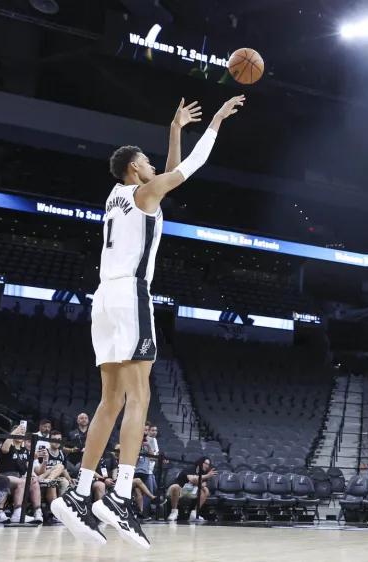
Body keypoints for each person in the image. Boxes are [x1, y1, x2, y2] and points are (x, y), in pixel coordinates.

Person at [51, 94, 245, 549]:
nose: (153, 164)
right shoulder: (145, 191)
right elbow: (190, 168)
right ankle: (119, 495)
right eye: (147, 160)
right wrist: (215, 121)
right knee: (140, 397)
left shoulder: (118, 195)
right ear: (135, 168)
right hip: (131, 294)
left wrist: (174, 129)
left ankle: (79, 495)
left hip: (103, 299)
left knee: (110, 402)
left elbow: (166, 173)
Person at [0, 424, 43, 523]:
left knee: (34, 484)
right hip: (3, 476)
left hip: (18, 478)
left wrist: (32, 475)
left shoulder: (25, 451)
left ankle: (37, 512)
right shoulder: (7, 445)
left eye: (22, 433)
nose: (20, 435)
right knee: (22, 482)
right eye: (18, 433)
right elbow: (4, 449)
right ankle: (17, 513)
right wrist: (14, 432)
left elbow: (25, 468)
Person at [166, 456, 215, 522]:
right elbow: (192, 479)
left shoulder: (205, 472)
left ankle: (194, 513)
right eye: (205, 463)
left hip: (191, 491)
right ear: (200, 463)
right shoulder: (190, 468)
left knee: (205, 490)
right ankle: (174, 512)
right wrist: (206, 476)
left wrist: (201, 482)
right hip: (181, 489)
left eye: (208, 465)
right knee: (175, 487)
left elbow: (203, 484)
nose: (207, 466)